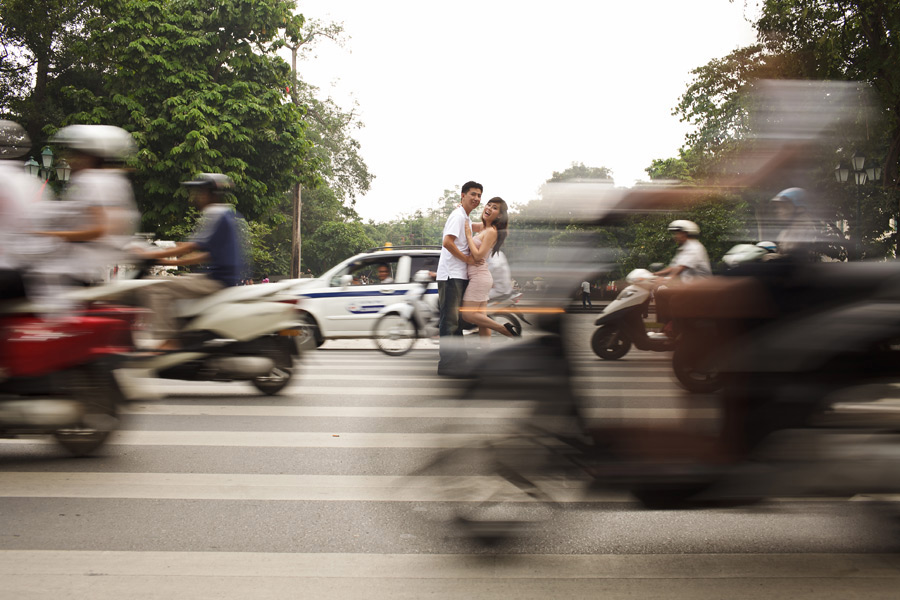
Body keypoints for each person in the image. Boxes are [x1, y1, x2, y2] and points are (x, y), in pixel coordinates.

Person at [138, 173, 246, 350]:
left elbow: (189, 246)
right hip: (219, 277)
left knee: (157, 286)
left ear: (210, 194)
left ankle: (168, 339)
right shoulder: (227, 214)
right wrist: (169, 263)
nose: (195, 197)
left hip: (217, 281)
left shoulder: (215, 214)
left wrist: (150, 255)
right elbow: (208, 254)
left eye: (199, 192)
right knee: (170, 283)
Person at [35, 125, 140, 285]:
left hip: (76, 268)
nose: (69, 160)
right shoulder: (115, 180)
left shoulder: (92, 180)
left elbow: (99, 229)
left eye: (76, 154)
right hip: (91, 265)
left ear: (90, 156)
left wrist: (48, 234)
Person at [435, 180, 483, 376]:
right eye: (473, 194)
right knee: (450, 321)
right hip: (450, 275)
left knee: (456, 321)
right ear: (462, 196)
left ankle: (459, 361)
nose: (476, 198)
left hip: (458, 275)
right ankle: (447, 365)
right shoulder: (457, 216)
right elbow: (447, 242)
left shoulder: (465, 218)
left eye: (479, 195)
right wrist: (467, 259)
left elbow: (479, 226)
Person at [461, 197, 517, 339]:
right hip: (481, 276)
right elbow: (465, 223)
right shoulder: (483, 227)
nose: (489, 208)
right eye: (489, 205)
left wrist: (468, 237)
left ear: (499, 215)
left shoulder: (491, 231)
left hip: (479, 277)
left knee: (468, 315)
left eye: (494, 208)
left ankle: (504, 329)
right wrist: (461, 208)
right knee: (482, 320)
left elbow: (478, 256)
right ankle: (485, 352)